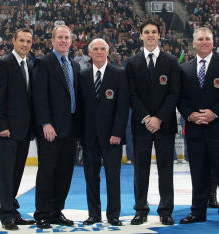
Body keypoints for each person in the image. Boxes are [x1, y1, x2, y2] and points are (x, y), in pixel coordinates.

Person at [178, 27, 219, 226]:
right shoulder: (184, 68)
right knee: (198, 172)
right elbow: (180, 98)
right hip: (195, 129)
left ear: (213, 42)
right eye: (200, 39)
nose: (204, 42)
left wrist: (214, 113)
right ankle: (198, 212)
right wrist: (191, 115)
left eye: (208, 39)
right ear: (193, 43)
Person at [125, 20, 180, 226]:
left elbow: (174, 93)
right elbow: (132, 94)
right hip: (141, 125)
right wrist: (147, 118)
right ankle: (141, 210)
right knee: (141, 169)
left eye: (154, 32)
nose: (150, 35)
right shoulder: (132, 62)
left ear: (159, 35)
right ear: (140, 35)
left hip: (164, 125)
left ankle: (166, 210)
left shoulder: (171, 61)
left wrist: (159, 118)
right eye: (146, 32)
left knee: (166, 169)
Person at [32, 25, 81, 229]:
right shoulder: (43, 63)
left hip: (70, 129)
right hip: (50, 129)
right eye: (59, 37)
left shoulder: (74, 65)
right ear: (52, 41)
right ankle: (42, 213)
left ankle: (55, 211)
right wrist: (45, 122)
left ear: (71, 41)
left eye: (66, 38)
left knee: (65, 172)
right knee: (47, 172)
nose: (63, 41)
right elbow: (39, 95)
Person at [78, 38, 129, 226]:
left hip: (112, 137)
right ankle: (94, 214)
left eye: (102, 49)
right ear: (89, 53)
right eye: (95, 49)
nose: (99, 52)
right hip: (89, 137)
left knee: (112, 177)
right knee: (91, 177)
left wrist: (117, 132)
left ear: (107, 52)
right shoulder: (82, 76)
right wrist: (80, 135)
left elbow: (122, 107)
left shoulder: (119, 74)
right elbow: (80, 109)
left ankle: (113, 214)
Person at [0, 28, 35, 230]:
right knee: (6, 174)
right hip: (6, 131)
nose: (25, 44)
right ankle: (5, 214)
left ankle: (13, 210)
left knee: (16, 174)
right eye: (22, 40)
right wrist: (0, 126)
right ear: (13, 41)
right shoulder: (3, 63)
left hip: (24, 131)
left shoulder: (30, 64)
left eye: (28, 41)